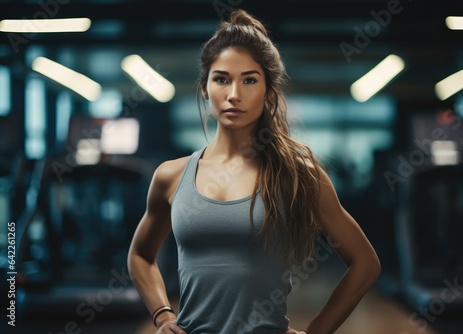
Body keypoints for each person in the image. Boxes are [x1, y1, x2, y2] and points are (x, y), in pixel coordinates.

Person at [127, 9, 381, 334]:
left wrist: (317, 331)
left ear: (269, 91)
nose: (234, 94)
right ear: (205, 88)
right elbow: (140, 256)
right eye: (221, 79)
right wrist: (162, 315)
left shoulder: (298, 174)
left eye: (249, 80)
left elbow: (365, 263)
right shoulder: (170, 177)